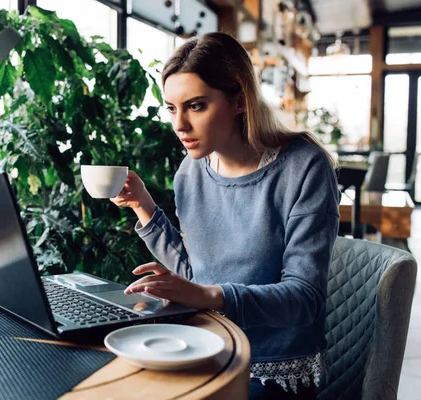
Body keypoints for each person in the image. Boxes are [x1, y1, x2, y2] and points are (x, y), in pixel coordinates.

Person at [111, 32, 339, 400]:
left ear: (238, 98)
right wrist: (143, 206)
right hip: (203, 344)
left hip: (272, 370)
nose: (179, 125)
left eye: (196, 106)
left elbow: (304, 298)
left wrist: (208, 294)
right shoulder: (190, 171)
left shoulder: (304, 167)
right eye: (171, 108)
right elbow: (196, 277)